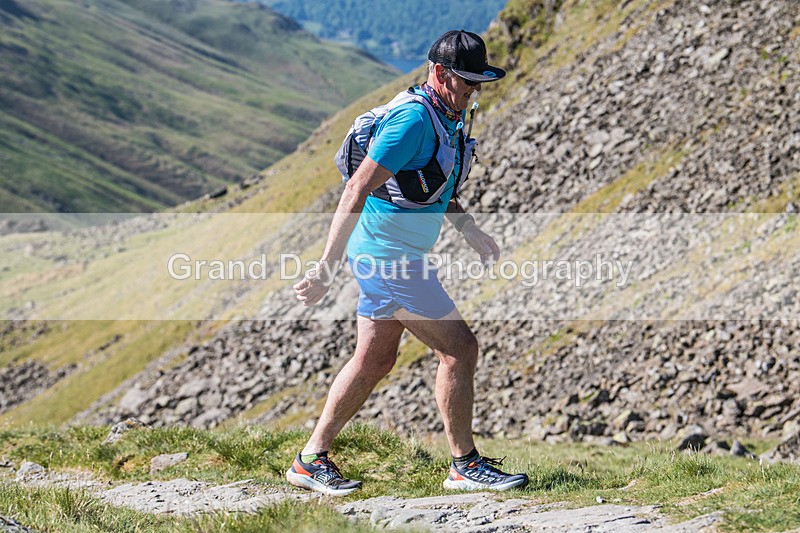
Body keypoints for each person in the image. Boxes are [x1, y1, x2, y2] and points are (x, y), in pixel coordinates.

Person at [287, 30, 528, 496]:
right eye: (466, 82)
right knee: (460, 347)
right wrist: (325, 267)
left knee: (374, 359)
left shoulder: (446, 115)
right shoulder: (414, 120)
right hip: (388, 260)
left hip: (394, 255)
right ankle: (464, 465)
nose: (473, 92)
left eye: (479, 84)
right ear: (439, 73)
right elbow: (356, 188)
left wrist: (468, 228)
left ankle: (310, 459)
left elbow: (434, 184)